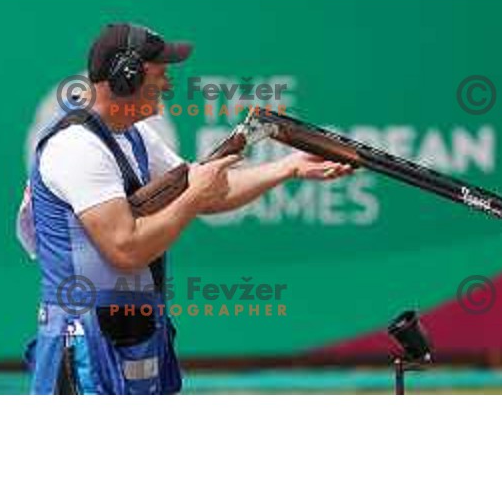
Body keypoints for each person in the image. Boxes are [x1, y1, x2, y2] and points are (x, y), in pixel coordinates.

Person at [21, 23, 352, 394]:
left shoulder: (135, 135)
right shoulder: (78, 148)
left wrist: (287, 167)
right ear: (125, 77)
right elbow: (125, 248)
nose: (168, 85)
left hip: (129, 339)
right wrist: (193, 197)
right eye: (160, 74)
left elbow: (213, 189)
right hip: (83, 351)